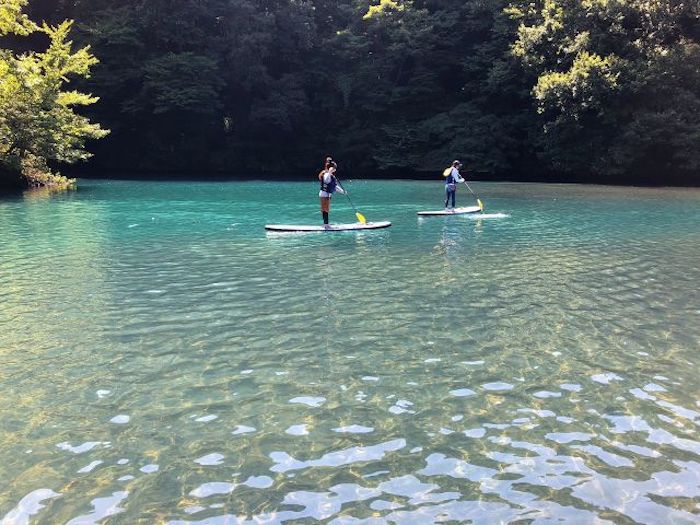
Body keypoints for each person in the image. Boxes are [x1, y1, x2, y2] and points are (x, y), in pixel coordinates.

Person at [318, 156, 345, 226]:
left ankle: (326, 224)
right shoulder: (327, 174)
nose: (335, 170)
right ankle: (326, 224)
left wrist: (343, 192)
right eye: (334, 169)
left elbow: (335, 187)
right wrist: (330, 172)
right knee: (325, 210)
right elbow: (326, 180)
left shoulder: (330, 175)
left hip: (326, 194)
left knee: (326, 210)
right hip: (324, 194)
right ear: (332, 168)